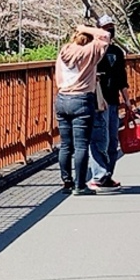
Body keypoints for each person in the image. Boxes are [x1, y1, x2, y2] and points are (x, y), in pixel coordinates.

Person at [54, 22, 112, 195]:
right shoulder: (90, 51)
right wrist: (85, 28)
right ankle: (80, 185)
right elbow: (105, 35)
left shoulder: (65, 50)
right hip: (81, 99)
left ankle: (67, 183)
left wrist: (80, 30)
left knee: (66, 145)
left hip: (62, 98)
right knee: (81, 146)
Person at [88, 15, 130, 191]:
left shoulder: (117, 51)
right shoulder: (92, 50)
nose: (109, 30)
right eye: (106, 27)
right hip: (98, 101)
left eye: (111, 27)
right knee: (100, 140)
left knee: (113, 141)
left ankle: (107, 175)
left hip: (113, 101)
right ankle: (98, 176)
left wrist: (127, 100)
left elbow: (122, 77)